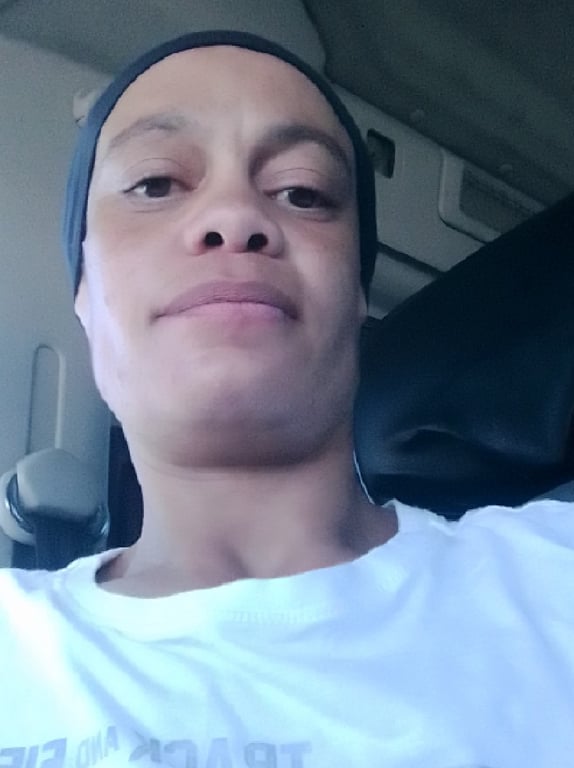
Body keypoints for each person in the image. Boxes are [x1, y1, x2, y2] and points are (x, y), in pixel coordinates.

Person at [0, 30, 573, 767]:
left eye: (303, 192)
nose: (234, 217)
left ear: (356, 293)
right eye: (156, 183)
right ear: (83, 291)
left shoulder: (550, 582)